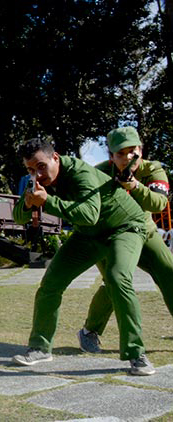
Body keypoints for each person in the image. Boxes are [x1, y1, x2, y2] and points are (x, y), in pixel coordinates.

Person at [11, 138, 155, 376]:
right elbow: (19, 217)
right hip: (89, 234)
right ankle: (39, 348)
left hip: (124, 227)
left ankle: (136, 353)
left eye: (41, 166)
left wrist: (48, 201)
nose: (37, 173)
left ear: (55, 158)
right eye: (29, 169)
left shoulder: (80, 173)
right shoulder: (34, 180)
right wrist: (28, 203)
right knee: (51, 283)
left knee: (117, 278)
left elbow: (88, 214)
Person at [78, 127, 173, 354]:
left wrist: (133, 185)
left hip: (145, 232)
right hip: (108, 236)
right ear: (111, 156)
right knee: (115, 282)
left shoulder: (153, 169)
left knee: (169, 271)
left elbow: (159, 204)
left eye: (133, 151)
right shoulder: (97, 173)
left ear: (141, 150)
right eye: (121, 153)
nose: (128, 157)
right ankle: (89, 331)